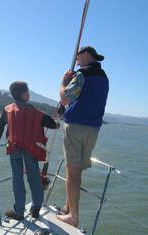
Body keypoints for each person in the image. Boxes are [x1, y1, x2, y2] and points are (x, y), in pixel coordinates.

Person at [56, 46, 109, 227]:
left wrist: (63, 82)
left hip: (76, 127)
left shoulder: (82, 75)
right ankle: (67, 206)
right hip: (93, 129)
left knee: (73, 172)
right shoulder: (104, 78)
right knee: (75, 170)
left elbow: (65, 99)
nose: (77, 61)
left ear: (85, 55)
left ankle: (73, 216)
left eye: (78, 58)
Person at [0, 81, 60, 220]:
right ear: (24, 94)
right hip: (31, 151)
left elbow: (0, 126)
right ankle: (36, 208)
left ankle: (19, 212)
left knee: (17, 179)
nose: (29, 93)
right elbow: (52, 124)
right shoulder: (36, 112)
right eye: (28, 91)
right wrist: (57, 123)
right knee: (34, 178)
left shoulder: (7, 109)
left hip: (14, 149)